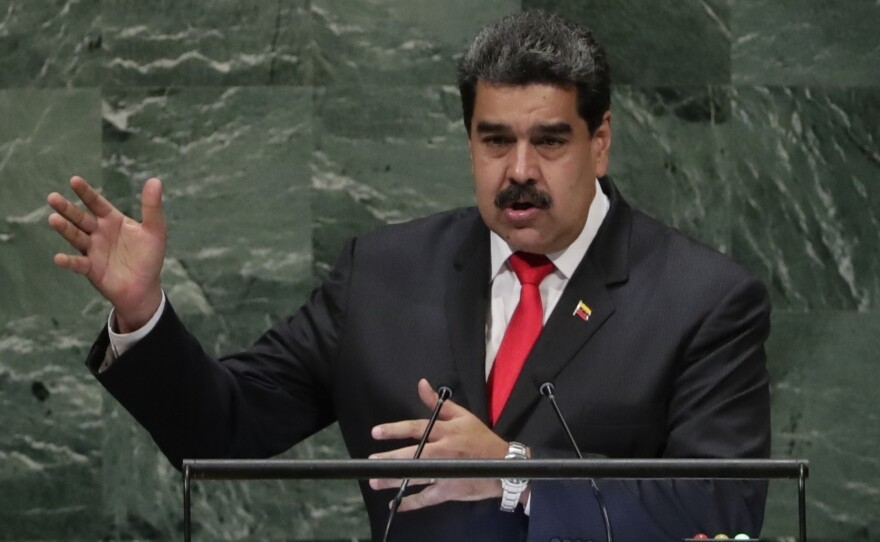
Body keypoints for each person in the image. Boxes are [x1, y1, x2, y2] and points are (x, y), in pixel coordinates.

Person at [46, 11, 770, 542]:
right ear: (469, 142)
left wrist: (516, 470)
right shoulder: (382, 276)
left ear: (600, 141)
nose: (519, 171)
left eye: (549, 142)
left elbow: (720, 506)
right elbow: (223, 428)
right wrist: (142, 314)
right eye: (496, 142)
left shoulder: (701, 299)